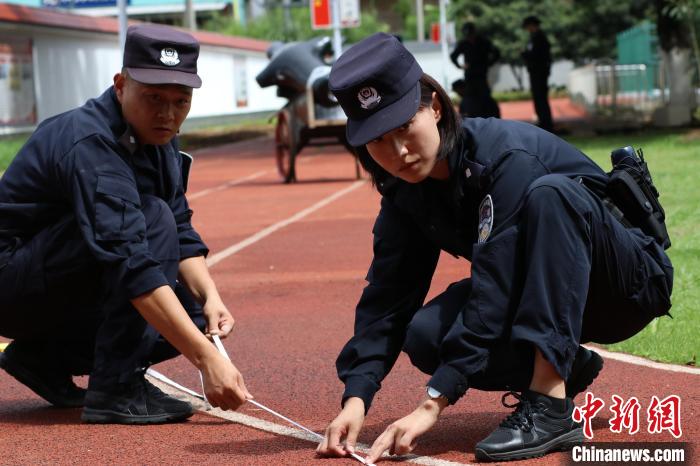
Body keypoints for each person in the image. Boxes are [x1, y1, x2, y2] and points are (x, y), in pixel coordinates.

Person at [317, 33, 673, 463]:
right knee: (427, 337)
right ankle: (567, 363)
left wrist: (434, 403)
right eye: (376, 141)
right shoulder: (407, 191)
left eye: (403, 128)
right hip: (549, 296)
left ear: (434, 108)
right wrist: (357, 395)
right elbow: (390, 294)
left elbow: (496, 287)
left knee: (551, 194)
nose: (397, 153)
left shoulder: (506, 159)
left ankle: (549, 407)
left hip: (625, 286)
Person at [0, 24, 252, 424]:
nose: (167, 114)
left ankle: (41, 360)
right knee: (150, 224)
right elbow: (129, 258)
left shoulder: (158, 138)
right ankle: (115, 390)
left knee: (187, 311)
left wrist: (210, 298)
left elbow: (180, 226)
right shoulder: (91, 141)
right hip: (11, 280)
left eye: (180, 101)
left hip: (48, 278)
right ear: (120, 86)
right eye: (153, 98)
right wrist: (207, 362)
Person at [449, 22, 501, 118]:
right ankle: (472, 118)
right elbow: (453, 56)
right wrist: (460, 66)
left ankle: (490, 118)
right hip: (470, 76)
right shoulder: (463, 43)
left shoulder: (484, 42)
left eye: (470, 34)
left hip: (481, 75)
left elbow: (497, 53)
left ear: (474, 32)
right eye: (467, 35)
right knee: (470, 98)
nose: (469, 37)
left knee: (485, 98)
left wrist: (489, 63)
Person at [521, 16, 553, 132]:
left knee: (541, 98)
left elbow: (538, 56)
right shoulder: (534, 38)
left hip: (539, 73)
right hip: (535, 72)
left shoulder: (539, 38)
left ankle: (546, 124)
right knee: (538, 98)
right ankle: (543, 121)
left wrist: (524, 54)